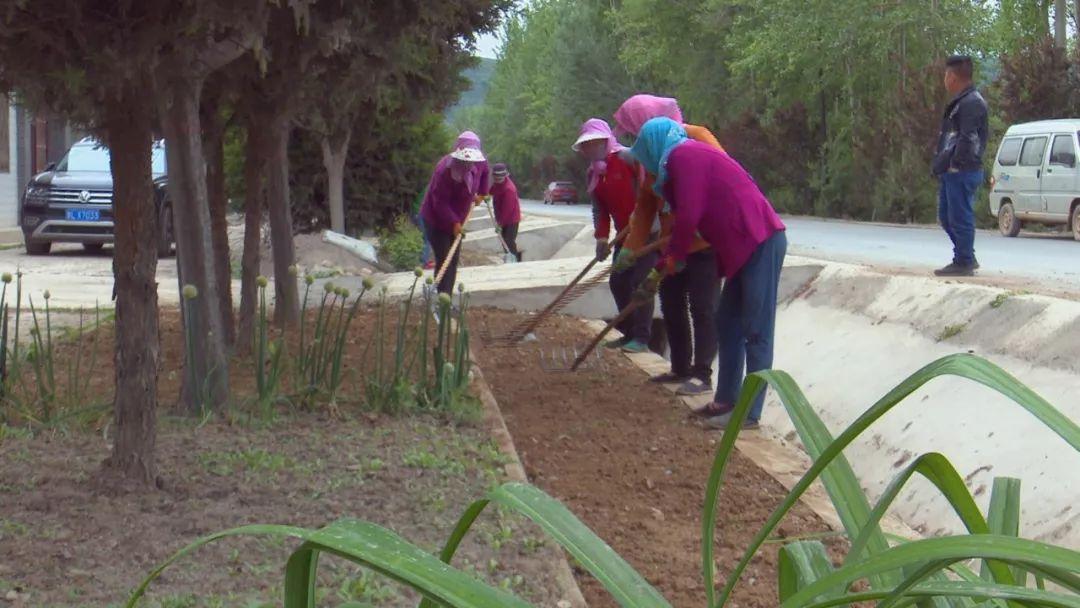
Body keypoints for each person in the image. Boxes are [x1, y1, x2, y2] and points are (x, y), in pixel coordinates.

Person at [631, 117, 786, 430]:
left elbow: (690, 214)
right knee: (727, 323)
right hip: (740, 248)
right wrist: (666, 262)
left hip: (760, 239)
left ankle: (749, 414)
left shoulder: (684, 156)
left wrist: (671, 259)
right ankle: (726, 399)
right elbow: (692, 219)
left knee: (756, 330)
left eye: (644, 149)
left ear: (653, 144)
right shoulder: (676, 166)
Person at [614, 94, 723, 397]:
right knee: (672, 303)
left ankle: (702, 375)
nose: (631, 135)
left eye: (631, 127)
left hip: (703, 241)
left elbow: (722, 179)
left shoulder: (695, 138)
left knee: (703, 307)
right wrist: (630, 249)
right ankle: (679, 367)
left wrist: (693, 225)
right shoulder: (650, 152)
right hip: (672, 242)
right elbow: (646, 206)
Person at [574, 117, 653, 353]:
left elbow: (645, 186)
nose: (590, 149)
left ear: (605, 140)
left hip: (646, 230)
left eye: (594, 143)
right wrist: (601, 237)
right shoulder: (593, 174)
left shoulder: (628, 158)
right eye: (586, 146)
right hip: (623, 233)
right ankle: (628, 332)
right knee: (618, 281)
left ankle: (642, 337)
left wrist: (640, 214)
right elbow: (600, 209)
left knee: (640, 280)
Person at [932, 55, 988, 277]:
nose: (944, 79)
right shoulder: (961, 101)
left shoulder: (972, 102)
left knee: (960, 216)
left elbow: (968, 138)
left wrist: (956, 163)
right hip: (951, 169)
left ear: (954, 76)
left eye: (946, 75)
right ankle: (965, 255)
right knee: (947, 216)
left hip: (963, 170)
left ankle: (964, 260)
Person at [420, 132, 488, 294]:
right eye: (465, 159)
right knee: (445, 258)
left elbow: (485, 173)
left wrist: (482, 193)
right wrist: (454, 222)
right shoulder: (444, 171)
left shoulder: (479, 163)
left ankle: (446, 297)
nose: (468, 163)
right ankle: (442, 296)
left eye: (471, 160)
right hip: (436, 220)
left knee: (453, 258)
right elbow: (439, 202)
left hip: (459, 218)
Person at [489, 163, 522, 261]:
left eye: (499, 179)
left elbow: (507, 211)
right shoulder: (498, 183)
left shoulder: (509, 189)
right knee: (503, 240)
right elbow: (493, 189)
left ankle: (513, 260)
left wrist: (500, 224)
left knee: (509, 241)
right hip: (501, 217)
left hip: (511, 220)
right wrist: (487, 195)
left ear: (505, 176)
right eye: (495, 178)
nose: (497, 180)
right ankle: (509, 257)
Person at [411, 186, 434, 269]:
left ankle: (423, 259)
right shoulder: (432, 188)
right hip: (420, 213)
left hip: (416, 212)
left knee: (424, 237)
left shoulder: (428, 186)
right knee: (427, 238)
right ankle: (424, 262)